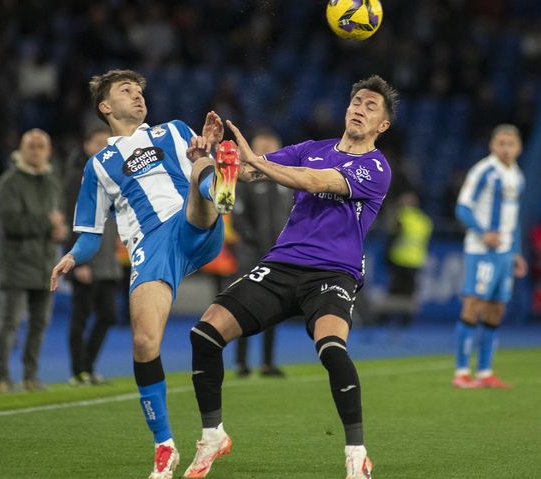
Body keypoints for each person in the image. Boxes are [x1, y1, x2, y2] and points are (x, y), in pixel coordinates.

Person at [183, 75, 398, 479]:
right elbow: (248, 176)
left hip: (334, 273)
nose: (359, 108)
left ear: (382, 126)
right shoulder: (310, 149)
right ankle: (212, 436)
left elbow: (316, 182)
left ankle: (356, 455)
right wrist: (214, 156)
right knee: (204, 334)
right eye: (356, 101)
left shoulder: (376, 167)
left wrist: (258, 160)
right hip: (282, 265)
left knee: (332, 349)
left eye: (371, 106)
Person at [48, 69, 239, 479]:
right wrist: (71, 258)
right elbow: (89, 234)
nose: (137, 96)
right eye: (126, 91)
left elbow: (193, 156)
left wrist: (206, 146)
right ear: (105, 107)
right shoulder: (98, 167)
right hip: (150, 248)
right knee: (143, 341)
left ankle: (219, 181)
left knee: (198, 161)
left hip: (190, 221)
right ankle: (164, 446)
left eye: (139, 91)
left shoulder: (171, 130)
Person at [452, 124, 527, 389]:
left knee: (496, 310)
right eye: (501, 143)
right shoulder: (484, 170)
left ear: (519, 148)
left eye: (511, 144)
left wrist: (516, 252)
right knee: (473, 305)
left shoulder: (517, 175)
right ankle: (461, 372)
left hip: (505, 253)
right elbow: (462, 208)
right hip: (481, 251)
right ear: (492, 145)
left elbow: (513, 219)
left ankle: (484, 372)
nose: (506, 148)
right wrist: (483, 233)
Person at [0, 129, 66, 393]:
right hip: (16, 263)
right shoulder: (8, 183)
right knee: (9, 322)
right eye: (31, 146)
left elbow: (58, 220)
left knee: (39, 324)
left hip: (45, 264)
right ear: (21, 150)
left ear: (48, 151)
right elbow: (9, 223)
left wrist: (60, 231)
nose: (36, 150)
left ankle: (30, 376)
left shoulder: (52, 182)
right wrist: (47, 224)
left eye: (41, 146)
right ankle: (1, 377)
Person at [62, 126, 122, 385]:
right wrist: (77, 262)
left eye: (107, 144)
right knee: (81, 316)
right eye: (98, 143)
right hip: (86, 260)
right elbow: (68, 220)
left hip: (108, 259)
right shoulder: (77, 178)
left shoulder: (111, 177)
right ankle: (78, 371)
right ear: (87, 146)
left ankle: (87, 366)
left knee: (108, 315)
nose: (104, 149)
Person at [231, 128, 291, 378]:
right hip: (250, 254)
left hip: (277, 254)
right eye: (261, 148)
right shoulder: (246, 180)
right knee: (245, 306)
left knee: (273, 309)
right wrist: (252, 240)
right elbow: (237, 215)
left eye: (271, 148)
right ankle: (242, 363)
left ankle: (267, 363)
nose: (266, 153)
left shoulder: (287, 180)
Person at [383, 191, 433, 324]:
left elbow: (391, 237)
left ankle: (387, 319)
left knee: (394, 291)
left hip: (398, 259)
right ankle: (406, 321)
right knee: (409, 292)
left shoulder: (399, 217)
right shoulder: (424, 220)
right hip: (415, 261)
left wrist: (386, 256)